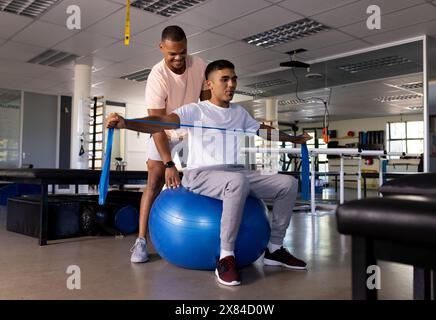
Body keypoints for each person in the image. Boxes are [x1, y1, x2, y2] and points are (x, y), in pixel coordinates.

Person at [107, 60, 312, 286]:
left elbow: (264, 131)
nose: (231, 84)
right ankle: (226, 257)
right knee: (236, 183)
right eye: (225, 79)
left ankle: (274, 249)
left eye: (234, 79)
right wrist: (127, 123)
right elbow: (161, 122)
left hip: (236, 172)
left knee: (288, 184)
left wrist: (293, 139)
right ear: (209, 84)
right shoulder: (195, 110)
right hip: (201, 174)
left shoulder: (239, 113)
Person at [130, 25, 210, 263]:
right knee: (154, 181)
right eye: (172, 53)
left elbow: (207, 108)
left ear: (187, 46)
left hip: (190, 134)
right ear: (161, 48)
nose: (178, 58)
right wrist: (168, 163)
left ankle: (200, 233)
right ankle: (141, 241)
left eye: (182, 52)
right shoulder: (157, 77)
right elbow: (156, 124)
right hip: (163, 132)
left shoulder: (200, 66)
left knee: (201, 178)